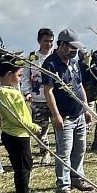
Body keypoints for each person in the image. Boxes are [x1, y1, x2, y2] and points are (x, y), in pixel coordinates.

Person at [42, 28, 91, 193]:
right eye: (71, 48)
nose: (74, 51)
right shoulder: (50, 64)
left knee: (80, 149)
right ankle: (62, 186)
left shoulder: (74, 62)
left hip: (78, 114)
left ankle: (77, 178)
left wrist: (86, 108)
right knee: (64, 152)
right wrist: (56, 115)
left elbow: (80, 86)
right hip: (64, 116)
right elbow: (48, 92)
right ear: (62, 44)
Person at [0, 59, 44, 193]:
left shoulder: (13, 90)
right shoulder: (4, 92)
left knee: (27, 164)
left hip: (22, 134)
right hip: (15, 135)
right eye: (19, 75)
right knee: (22, 169)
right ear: (9, 75)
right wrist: (33, 126)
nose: (21, 79)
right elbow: (15, 116)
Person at [21, 27, 55, 163]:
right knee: (40, 130)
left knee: (60, 128)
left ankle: (60, 154)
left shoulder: (56, 57)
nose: (49, 44)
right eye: (46, 41)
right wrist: (27, 92)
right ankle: (45, 152)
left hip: (54, 99)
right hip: (37, 99)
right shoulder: (32, 58)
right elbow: (24, 77)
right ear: (39, 41)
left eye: (51, 41)